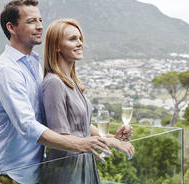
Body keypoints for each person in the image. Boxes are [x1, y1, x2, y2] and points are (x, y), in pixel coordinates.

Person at [0, 0, 113, 184]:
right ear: (11, 28)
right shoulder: (6, 71)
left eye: (40, 20)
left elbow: (54, 118)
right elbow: (28, 126)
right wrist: (81, 143)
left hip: (37, 170)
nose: (39, 27)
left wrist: (106, 138)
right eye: (31, 21)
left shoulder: (34, 66)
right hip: (13, 174)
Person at [40, 19, 135, 183]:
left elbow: (81, 127)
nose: (79, 43)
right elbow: (60, 136)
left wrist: (113, 137)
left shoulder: (72, 82)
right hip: (65, 168)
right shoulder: (54, 83)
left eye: (80, 38)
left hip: (83, 162)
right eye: (72, 39)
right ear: (56, 46)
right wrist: (109, 141)